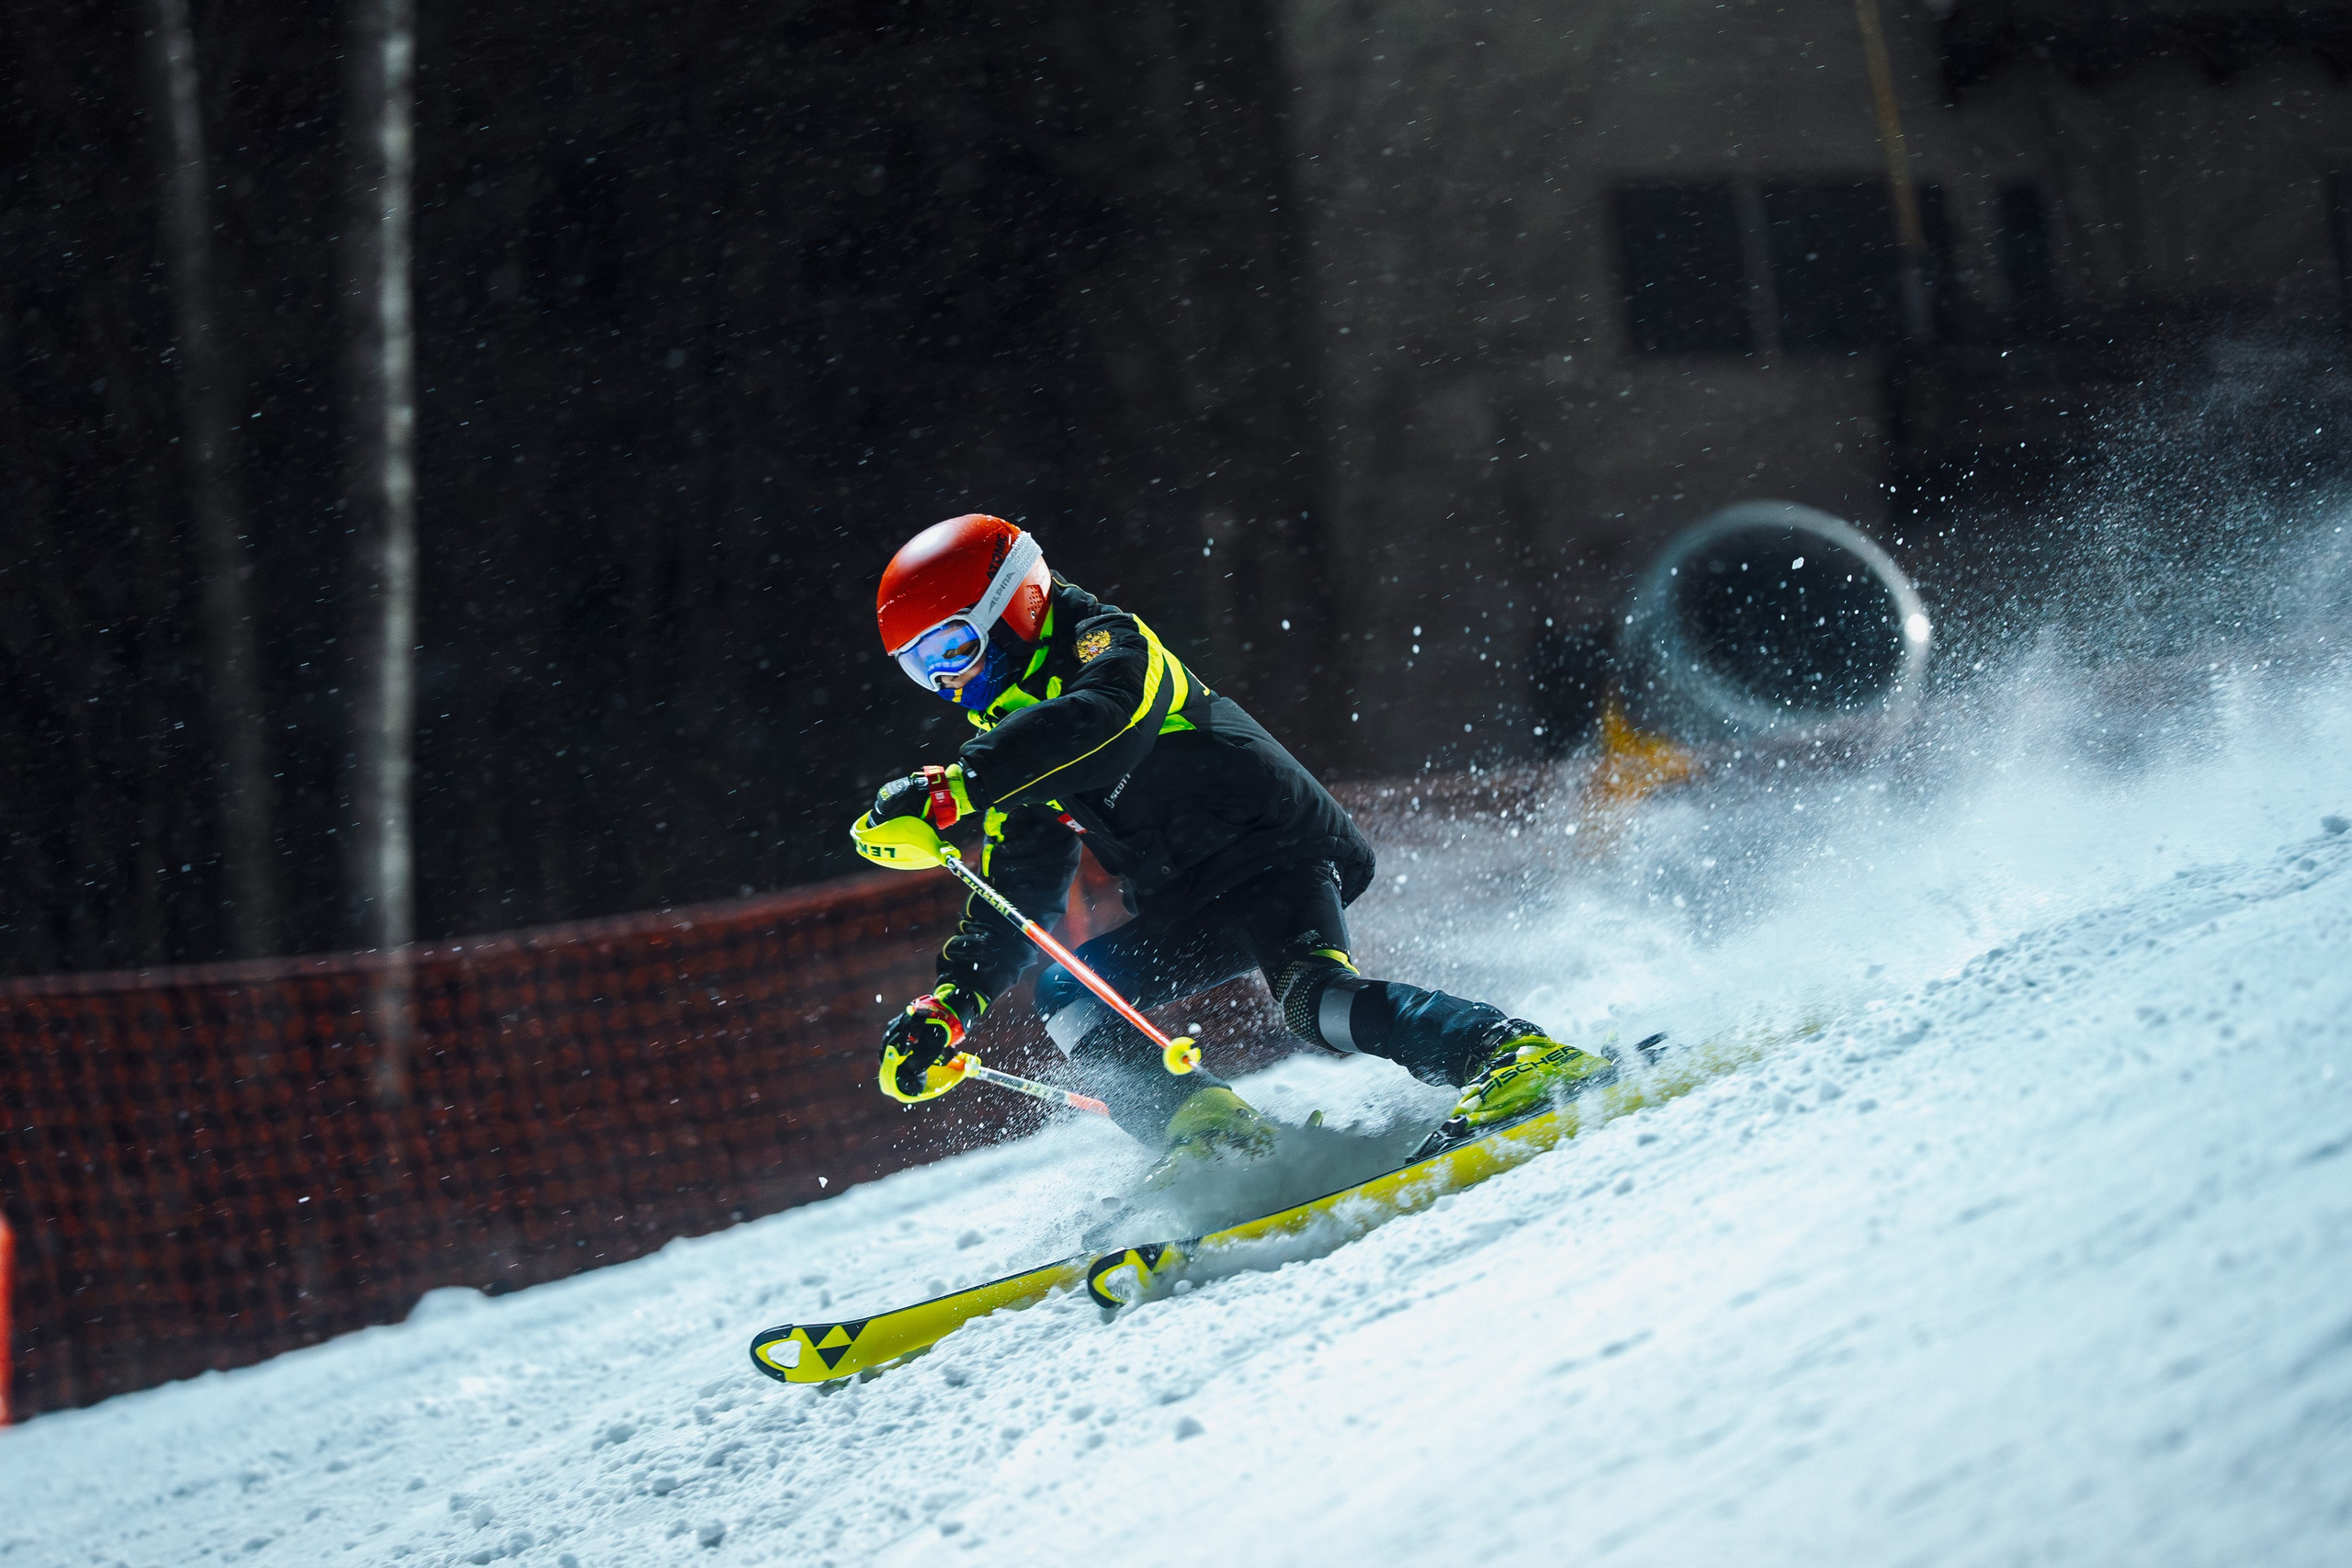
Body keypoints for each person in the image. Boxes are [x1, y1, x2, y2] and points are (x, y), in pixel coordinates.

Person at [853, 513, 1617, 1175]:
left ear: (1017, 604)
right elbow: (1018, 892)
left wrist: (957, 784)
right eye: (921, 670)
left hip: (1272, 848)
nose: (949, 682)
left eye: (953, 648)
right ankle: (1205, 1129)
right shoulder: (1012, 747)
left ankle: (1508, 1054)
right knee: (1069, 992)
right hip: (1191, 896)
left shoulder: (1110, 646)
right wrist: (951, 1002)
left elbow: (1104, 720)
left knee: (1315, 1001)